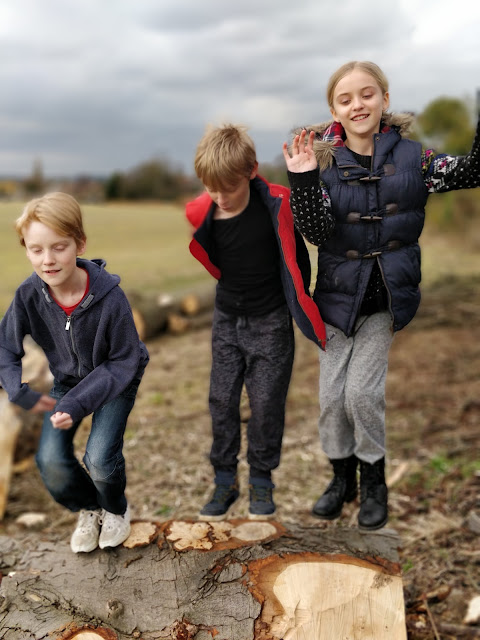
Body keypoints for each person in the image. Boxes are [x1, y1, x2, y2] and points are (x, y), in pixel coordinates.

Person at [282, 61, 480, 530]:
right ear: (333, 109)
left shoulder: (416, 159)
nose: (358, 105)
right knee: (332, 398)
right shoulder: (323, 162)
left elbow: (472, 171)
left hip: (384, 300)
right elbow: (316, 232)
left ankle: (374, 479)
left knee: (362, 395)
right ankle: (340, 477)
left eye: (367, 95)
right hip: (334, 301)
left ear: (384, 100)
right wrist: (305, 179)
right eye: (346, 99)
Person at [186, 124, 326, 520]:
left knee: (265, 404)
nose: (219, 198)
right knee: (222, 401)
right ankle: (225, 480)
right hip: (227, 320)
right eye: (211, 189)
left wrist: (296, 303)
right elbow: (212, 256)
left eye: (227, 188)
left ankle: (262, 479)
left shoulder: (276, 208)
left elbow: (298, 261)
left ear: (251, 171)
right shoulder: (205, 212)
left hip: (271, 323)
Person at [0, 192, 149, 552]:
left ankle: (115, 509)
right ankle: (88, 508)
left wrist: (77, 403)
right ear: (26, 249)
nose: (47, 260)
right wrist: (18, 390)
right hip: (67, 381)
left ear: (79, 243)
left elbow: (123, 360)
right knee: (49, 460)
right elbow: (5, 346)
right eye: (36, 249)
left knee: (98, 458)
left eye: (59, 247)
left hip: (116, 377)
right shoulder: (29, 295)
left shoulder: (110, 298)